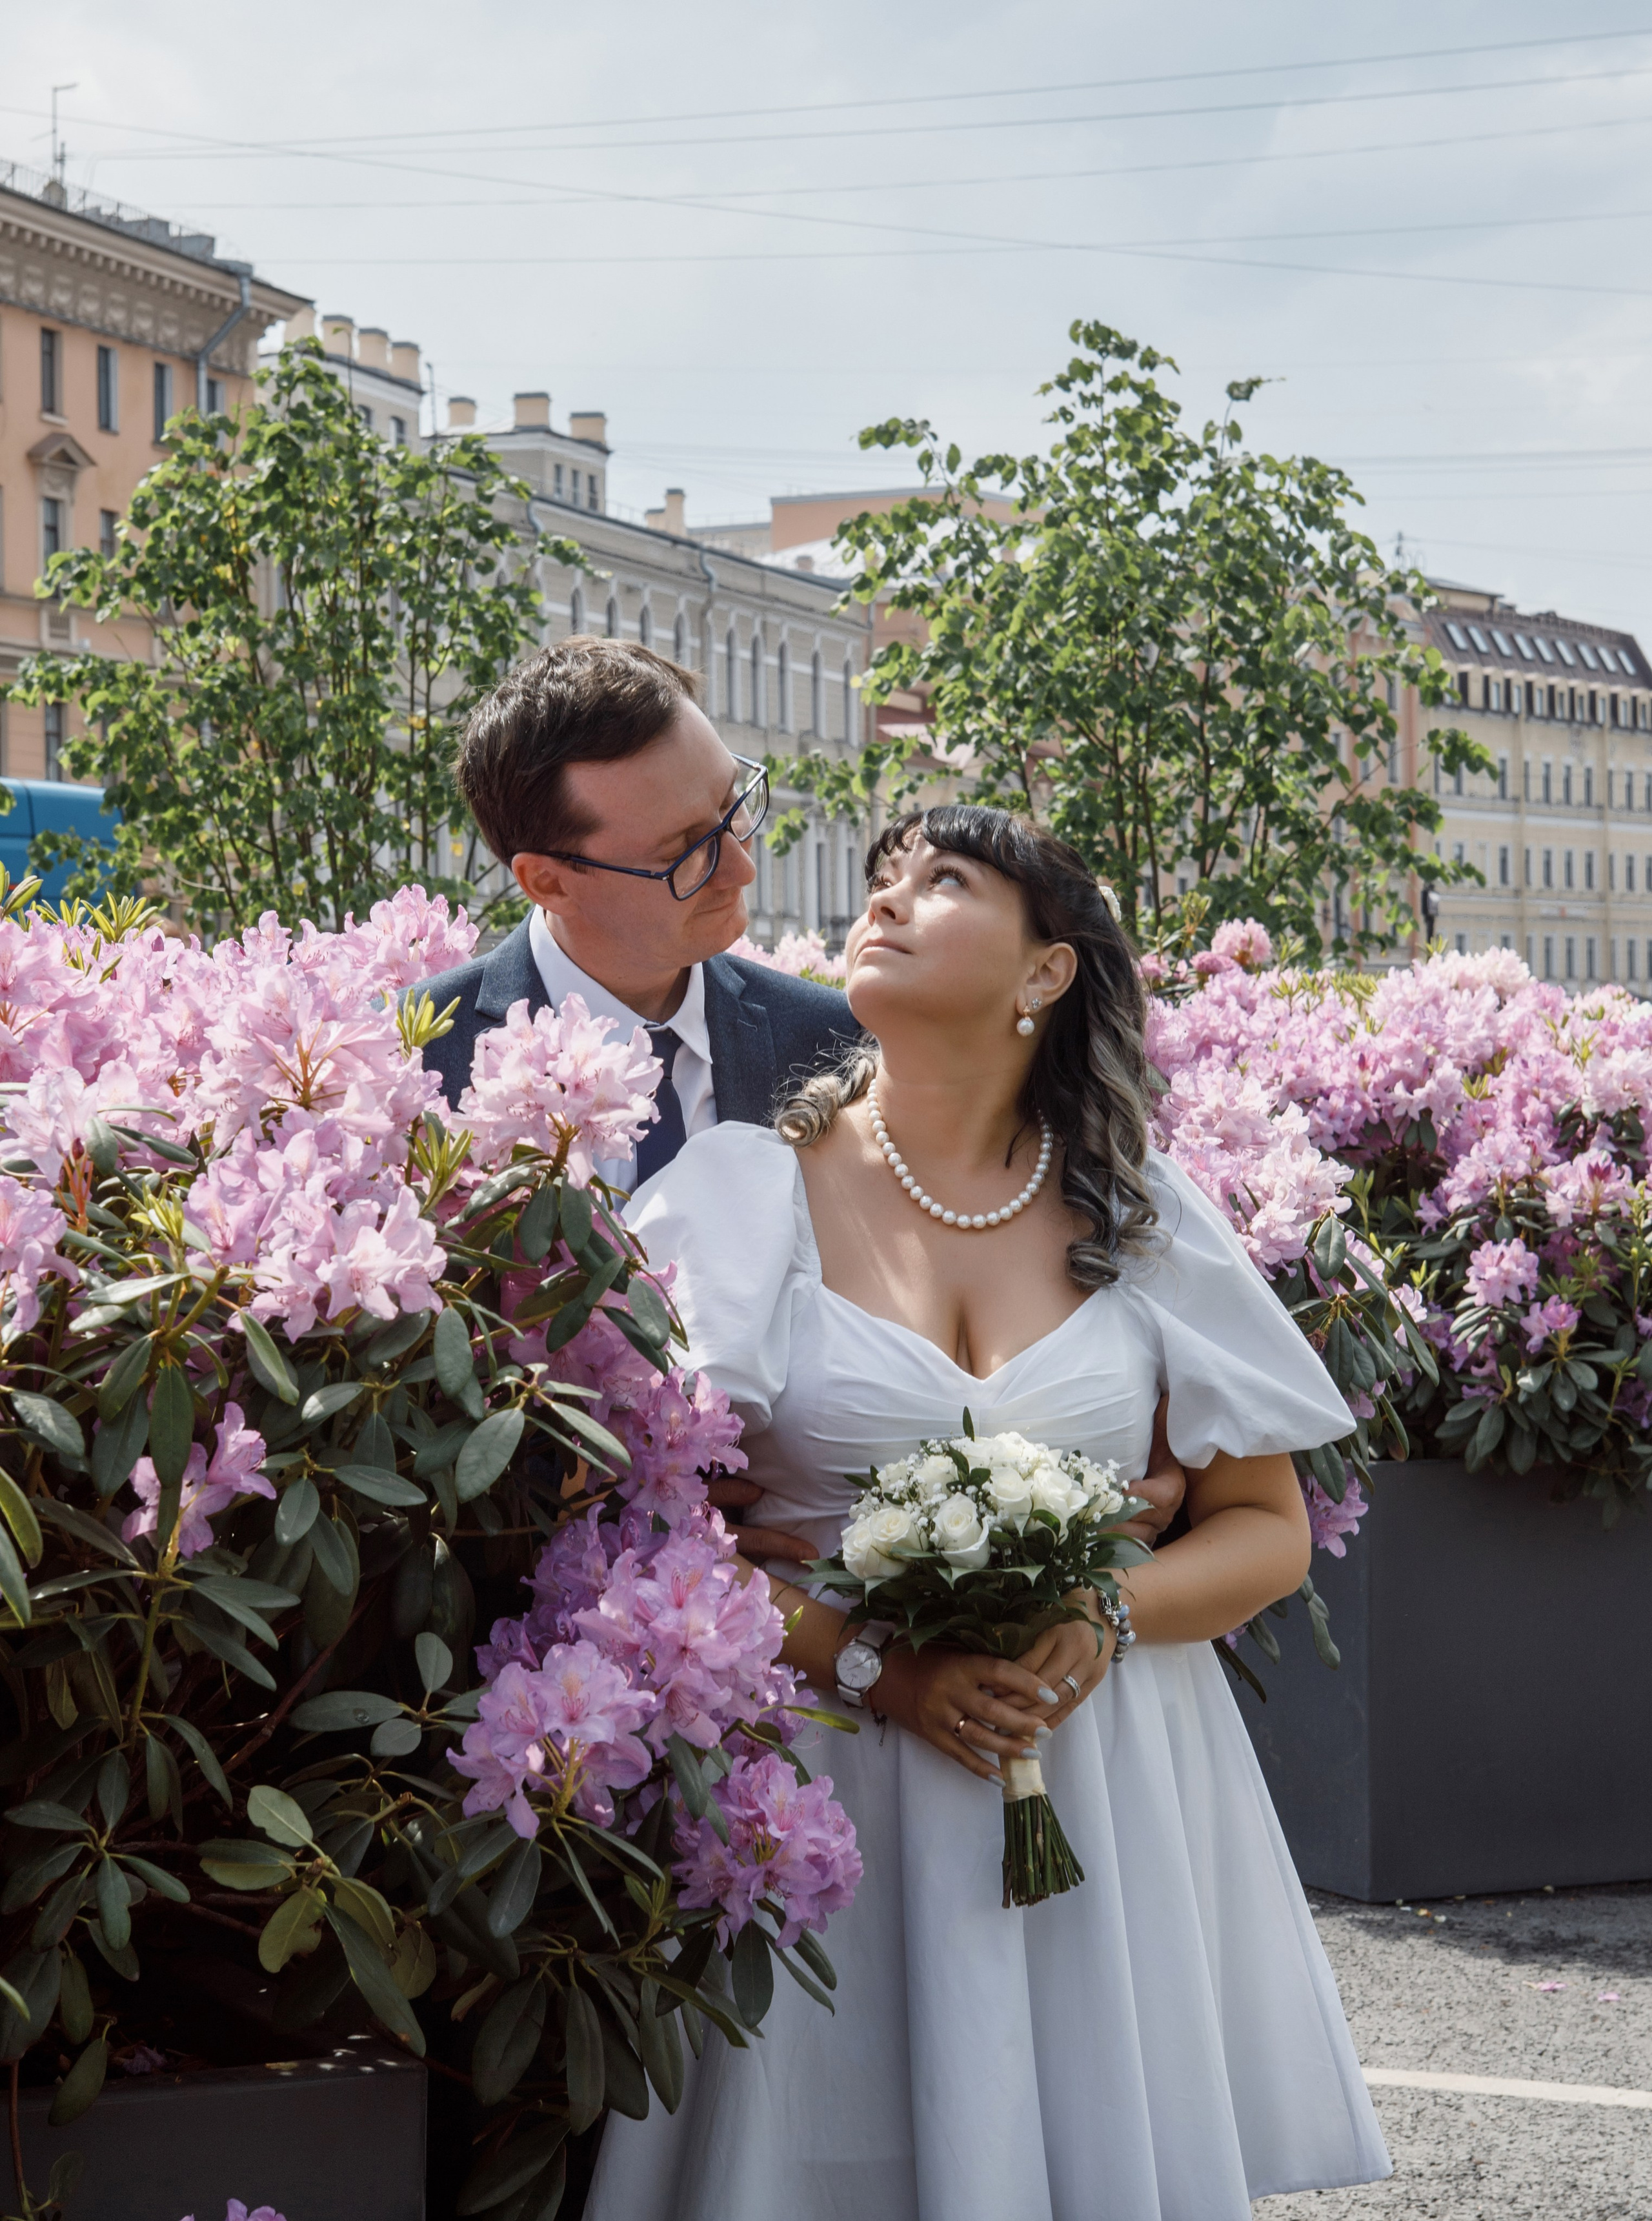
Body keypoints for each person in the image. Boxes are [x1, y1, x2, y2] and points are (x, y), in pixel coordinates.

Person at [587, 805, 1391, 2221]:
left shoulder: (1135, 1211)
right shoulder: (738, 1191)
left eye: (943, 882)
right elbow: (660, 1535)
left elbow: (1262, 1523)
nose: (885, 898)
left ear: (1045, 974)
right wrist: (871, 1662)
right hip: (829, 1780)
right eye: (882, 877)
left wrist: (1106, 1605)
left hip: (1102, 1769)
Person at [426, 637, 1189, 1562]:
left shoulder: (846, 1043)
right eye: (685, 855)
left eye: (734, 808)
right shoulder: (421, 1065)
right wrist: (625, 1499)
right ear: (548, 878)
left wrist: (1139, 1446)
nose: (742, 868)